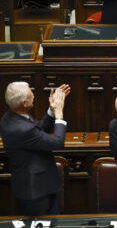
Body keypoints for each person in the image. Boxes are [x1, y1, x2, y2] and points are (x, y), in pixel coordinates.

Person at [0, 82, 70, 216]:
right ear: (24, 103)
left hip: (39, 184)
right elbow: (57, 143)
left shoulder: (11, 117)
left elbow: (40, 129)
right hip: (35, 190)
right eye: (32, 96)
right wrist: (59, 113)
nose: (34, 97)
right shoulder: (22, 128)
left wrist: (51, 109)